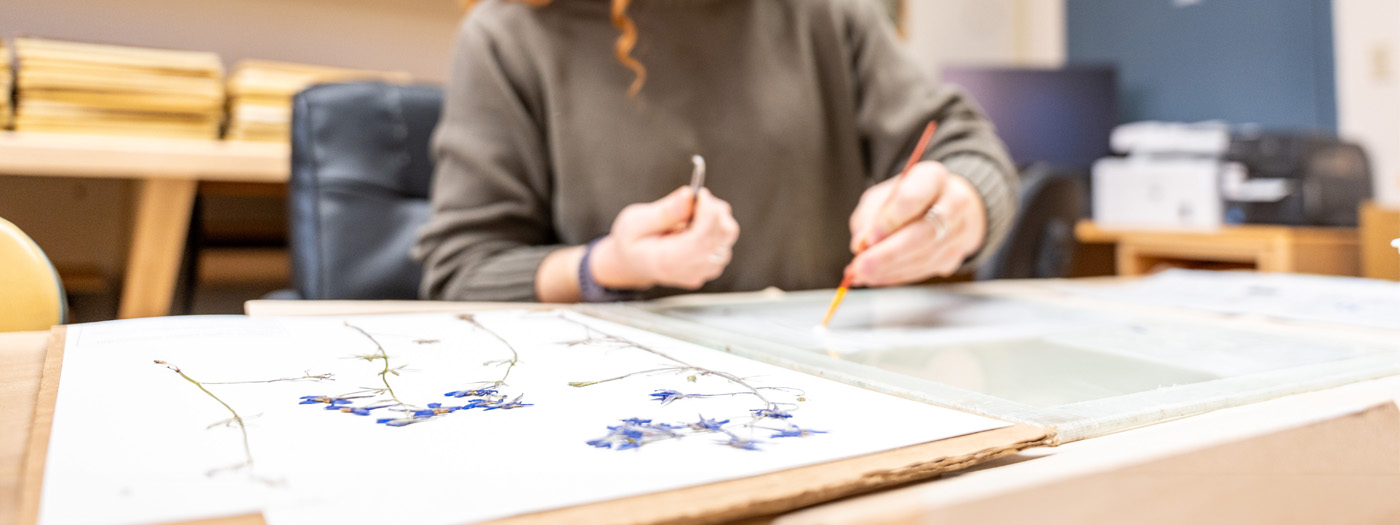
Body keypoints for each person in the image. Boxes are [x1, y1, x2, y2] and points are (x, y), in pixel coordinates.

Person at [413, 0, 1017, 303]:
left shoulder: (825, 11)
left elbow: (965, 146)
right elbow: (463, 271)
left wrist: (959, 207)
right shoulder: (510, 36)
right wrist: (604, 267)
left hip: (834, 394)